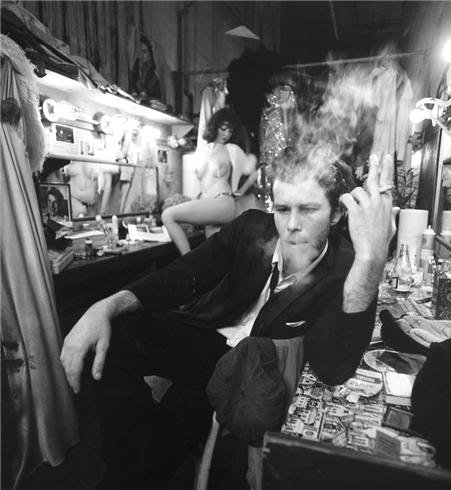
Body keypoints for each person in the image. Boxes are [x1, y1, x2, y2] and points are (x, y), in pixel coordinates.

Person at [60, 149, 395, 489]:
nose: (292, 225)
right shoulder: (251, 228)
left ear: (336, 213)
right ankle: (131, 465)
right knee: (112, 336)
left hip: (249, 368)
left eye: (308, 209)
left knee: (180, 426)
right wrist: (105, 306)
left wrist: (370, 261)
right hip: (206, 336)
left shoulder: (347, 266)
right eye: (282, 209)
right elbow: (183, 275)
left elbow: (333, 368)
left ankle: (133, 472)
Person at [161, 107, 258, 255]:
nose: (226, 134)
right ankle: (195, 265)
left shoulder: (232, 149)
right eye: (223, 129)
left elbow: (255, 173)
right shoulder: (203, 150)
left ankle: (189, 263)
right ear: (215, 127)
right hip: (209, 205)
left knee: (168, 215)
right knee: (217, 258)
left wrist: (240, 191)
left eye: (230, 131)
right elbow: (201, 178)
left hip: (223, 201)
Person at [130, 33, 161, 102]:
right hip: (137, 100)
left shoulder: (155, 68)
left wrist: (144, 93)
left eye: (145, 52)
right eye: (140, 51)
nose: (141, 55)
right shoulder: (137, 63)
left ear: (150, 53)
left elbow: (152, 88)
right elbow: (133, 83)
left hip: (151, 101)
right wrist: (134, 91)